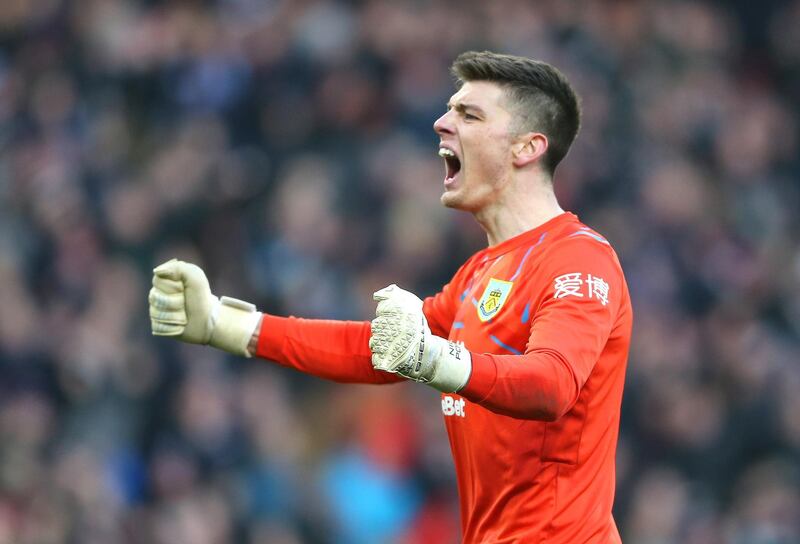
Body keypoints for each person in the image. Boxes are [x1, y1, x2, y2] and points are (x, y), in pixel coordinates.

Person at [149, 51, 633, 543]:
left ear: (527, 147)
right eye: (450, 109)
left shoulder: (579, 260)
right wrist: (225, 325)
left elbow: (551, 385)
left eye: (469, 114)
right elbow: (376, 351)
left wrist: (433, 357)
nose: (442, 123)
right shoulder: (479, 273)